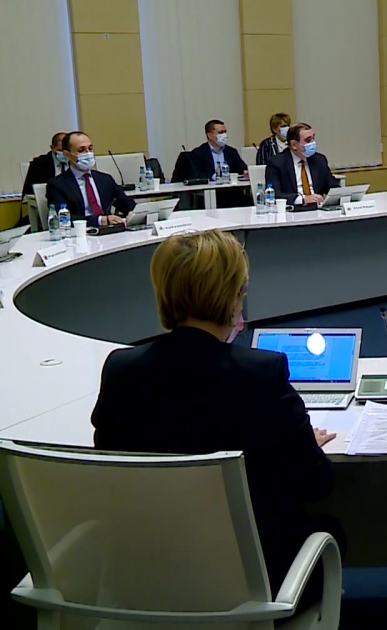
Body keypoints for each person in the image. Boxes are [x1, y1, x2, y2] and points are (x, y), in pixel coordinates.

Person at [91, 230, 343, 603]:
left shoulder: (121, 370)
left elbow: (111, 461)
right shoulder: (262, 374)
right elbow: (316, 484)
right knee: (330, 529)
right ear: (232, 297)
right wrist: (302, 441)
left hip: (148, 579)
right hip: (251, 586)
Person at [46, 131, 135, 227]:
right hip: (80, 231)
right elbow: (62, 217)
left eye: (90, 148)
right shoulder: (57, 185)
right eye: (81, 150)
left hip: (109, 230)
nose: (88, 153)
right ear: (67, 154)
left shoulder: (105, 179)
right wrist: (99, 220)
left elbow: (124, 202)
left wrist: (132, 212)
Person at [265, 122, 339, 205]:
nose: (313, 143)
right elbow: (274, 194)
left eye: (313, 138)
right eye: (308, 140)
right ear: (294, 145)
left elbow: (333, 186)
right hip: (292, 209)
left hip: (318, 208)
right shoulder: (277, 163)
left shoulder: (319, 160)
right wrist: (303, 199)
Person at [182, 119, 249, 181]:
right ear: (209, 135)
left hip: (230, 188)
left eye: (225, 132)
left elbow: (242, 168)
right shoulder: (198, 153)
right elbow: (196, 174)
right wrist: (214, 177)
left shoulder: (231, 152)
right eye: (220, 132)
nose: (224, 135)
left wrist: (245, 172)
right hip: (209, 188)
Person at [22, 131, 69, 197]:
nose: (64, 154)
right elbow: (29, 190)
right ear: (52, 147)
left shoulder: (75, 162)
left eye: (67, 151)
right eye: (60, 150)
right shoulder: (39, 164)